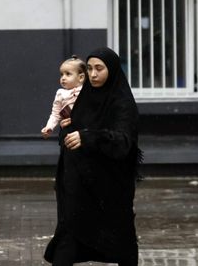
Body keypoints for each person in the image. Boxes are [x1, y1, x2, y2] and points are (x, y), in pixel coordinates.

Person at [44, 47, 141, 266]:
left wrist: (88, 137)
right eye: (89, 69)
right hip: (78, 184)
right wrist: (66, 129)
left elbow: (123, 141)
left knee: (120, 239)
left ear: (113, 70)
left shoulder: (122, 103)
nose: (93, 74)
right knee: (68, 235)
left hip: (110, 187)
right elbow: (69, 138)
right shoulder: (83, 98)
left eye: (99, 68)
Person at [41, 57, 86, 138]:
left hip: (85, 131)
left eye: (68, 74)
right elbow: (55, 114)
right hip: (68, 131)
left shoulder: (87, 91)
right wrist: (49, 127)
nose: (63, 78)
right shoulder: (60, 94)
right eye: (62, 74)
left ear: (81, 77)